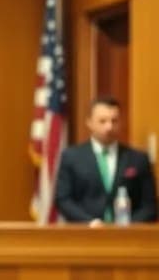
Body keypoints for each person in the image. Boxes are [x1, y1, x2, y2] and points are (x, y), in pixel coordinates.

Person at [55, 96, 157, 225]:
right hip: (85, 234)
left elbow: (149, 206)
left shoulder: (138, 159)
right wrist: (90, 222)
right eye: (102, 121)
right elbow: (63, 199)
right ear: (89, 122)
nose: (109, 127)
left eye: (114, 121)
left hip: (128, 237)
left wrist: (128, 226)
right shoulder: (71, 157)